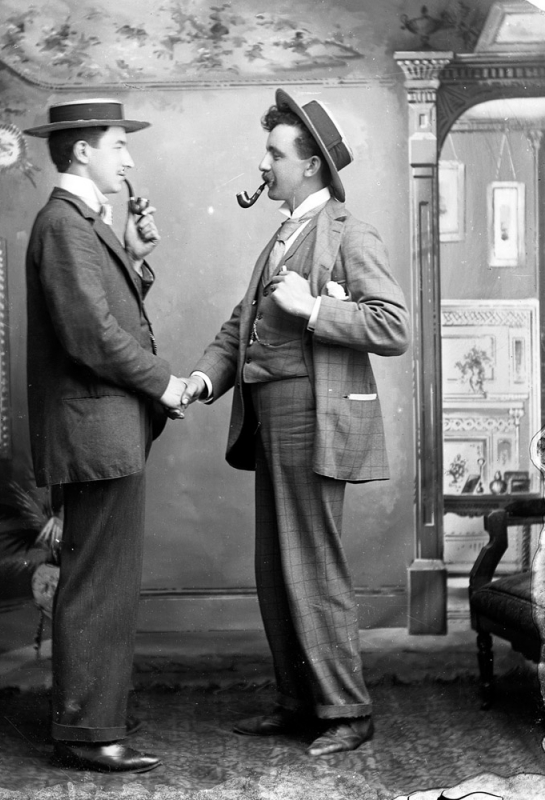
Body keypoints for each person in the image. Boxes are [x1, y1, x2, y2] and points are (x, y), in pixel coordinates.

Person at [181, 89, 410, 756]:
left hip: (315, 417)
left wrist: (313, 309)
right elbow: (241, 325)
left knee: (310, 561)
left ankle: (347, 711)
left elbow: (392, 325)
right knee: (276, 566)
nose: (264, 164)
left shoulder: (348, 232)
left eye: (274, 153)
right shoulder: (282, 235)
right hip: (270, 417)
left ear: (310, 165)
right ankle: (297, 702)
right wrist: (202, 378)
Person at [24, 99, 186, 773]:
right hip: (95, 436)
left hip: (103, 433)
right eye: (119, 145)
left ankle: (96, 717)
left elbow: (102, 309)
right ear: (82, 150)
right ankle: (87, 734)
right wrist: (163, 383)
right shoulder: (65, 224)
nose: (128, 158)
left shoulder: (84, 224)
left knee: (105, 582)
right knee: (97, 584)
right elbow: (90, 334)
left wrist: (134, 259)